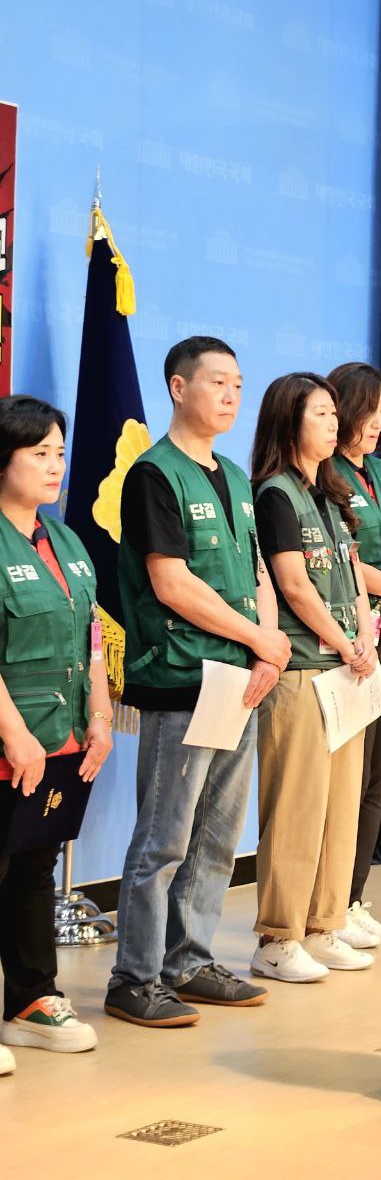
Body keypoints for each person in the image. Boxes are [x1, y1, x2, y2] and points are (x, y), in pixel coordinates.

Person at [105, 337, 291, 1028]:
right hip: (184, 678)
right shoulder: (155, 474)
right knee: (165, 838)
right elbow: (171, 581)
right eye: (218, 382)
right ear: (179, 388)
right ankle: (134, 977)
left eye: (239, 384)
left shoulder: (236, 479)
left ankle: (189, 960)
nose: (232, 395)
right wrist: (256, 640)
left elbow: (260, 573)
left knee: (217, 834)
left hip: (240, 678)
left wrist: (270, 650)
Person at [249, 372, 378, 983]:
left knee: (340, 805)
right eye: (322, 414)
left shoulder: (331, 496)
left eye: (334, 414)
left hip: (346, 667)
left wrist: (366, 638)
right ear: (289, 421)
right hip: (303, 668)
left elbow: (351, 574)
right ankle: (278, 936)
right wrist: (341, 641)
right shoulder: (275, 493)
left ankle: (325, 923)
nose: (334, 424)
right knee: (297, 805)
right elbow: (294, 585)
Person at [0, 397, 113, 1073]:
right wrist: (13, 734)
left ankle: (32, 1001)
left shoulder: (65, 539)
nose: (54, 466)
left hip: (61, 737)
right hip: (14, 740)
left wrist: (99, 717)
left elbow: (93, 635)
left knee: (35, 868)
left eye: (60, 453)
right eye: (38, 453)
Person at [329, 362, 381, 949]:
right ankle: (328, 901)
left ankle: (355, 897)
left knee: (380, 776)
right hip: (349, 640)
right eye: (370, 410)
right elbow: (346, 559)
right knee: (347, 781)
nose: (379, 422)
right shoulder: (324, 477)